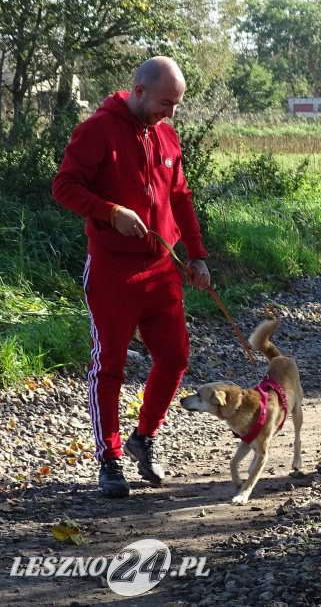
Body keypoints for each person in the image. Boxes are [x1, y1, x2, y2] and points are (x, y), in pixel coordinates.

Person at [53, 56, 211, 498]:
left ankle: (145, 437)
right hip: (111, 271)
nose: (171, 113)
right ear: (139, 91)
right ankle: (110, 459)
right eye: (165, 103)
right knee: (111, 366)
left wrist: (197, 256)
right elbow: (63, 186)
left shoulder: (166, 135)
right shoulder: (96, 130)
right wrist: (110, 212)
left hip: (162, 269)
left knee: (176, 356)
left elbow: (180, 197)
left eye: (176, 105)